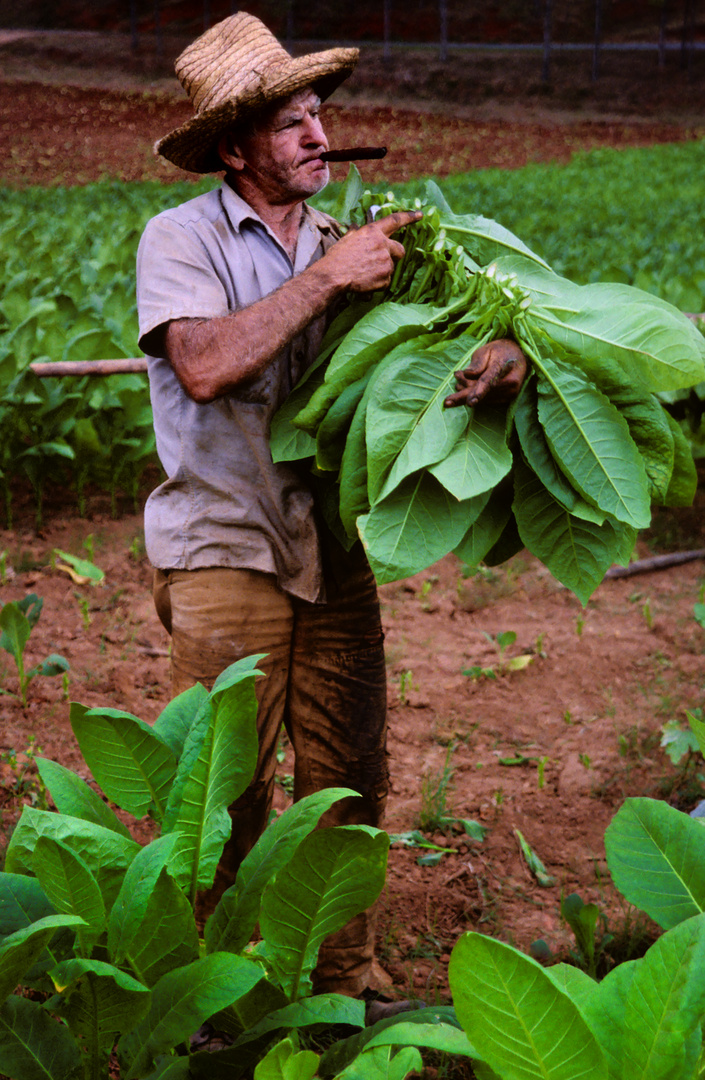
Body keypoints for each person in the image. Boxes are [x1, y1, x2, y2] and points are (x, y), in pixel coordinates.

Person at [136, 11, 526, 1003]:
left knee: (349, 777)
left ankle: (343, 986)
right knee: (218, 793)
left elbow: (396, 382)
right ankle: (213, 1001)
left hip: (333, 548)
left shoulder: (350, 247)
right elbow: (207, 364)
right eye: (290, 124)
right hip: (223, 544)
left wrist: (488, 365)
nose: (318, 135)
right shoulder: (179, 238)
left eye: (320, 115)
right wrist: (327, 277)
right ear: (233, 148)